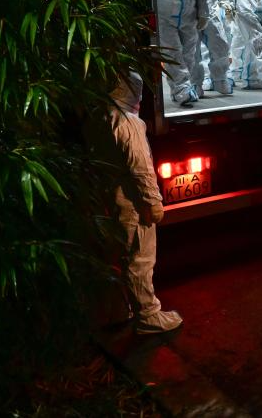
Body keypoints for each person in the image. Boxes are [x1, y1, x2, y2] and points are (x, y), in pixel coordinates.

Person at [87, 71, 183, 334]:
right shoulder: (127, 122)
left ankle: (119, 309)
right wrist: (153, 202)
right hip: (131, 200)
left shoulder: (101, 117)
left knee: (119, 254)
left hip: (110, 197)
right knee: (140, 257)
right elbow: (141, 168)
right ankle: (148, 316)